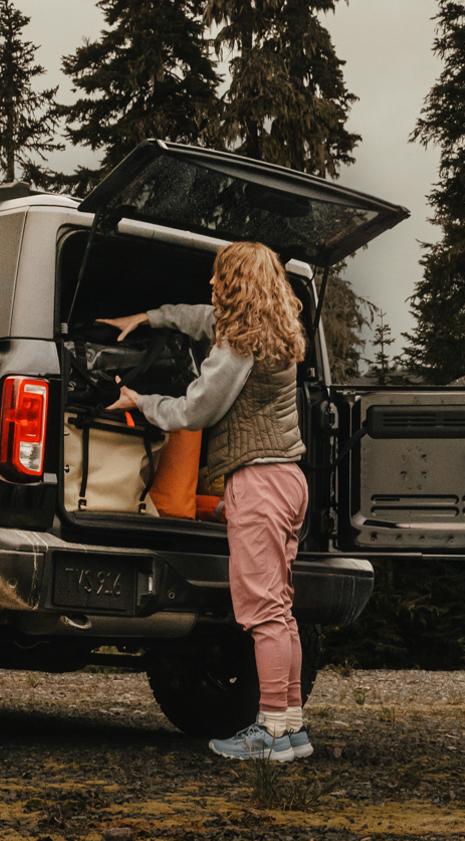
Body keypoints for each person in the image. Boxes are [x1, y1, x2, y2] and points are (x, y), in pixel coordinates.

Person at [101, 241, 313, 762]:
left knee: (262, 614)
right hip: (289, 480)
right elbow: (202, 318)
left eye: (221, 278)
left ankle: (269, 732)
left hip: (258, 485)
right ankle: (290, 729)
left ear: (237, 283)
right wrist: (149, 316)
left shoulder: (238, 349)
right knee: (281, 613)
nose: (213, 286)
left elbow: (195, 410)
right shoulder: (278, 329)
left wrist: (141, 401)